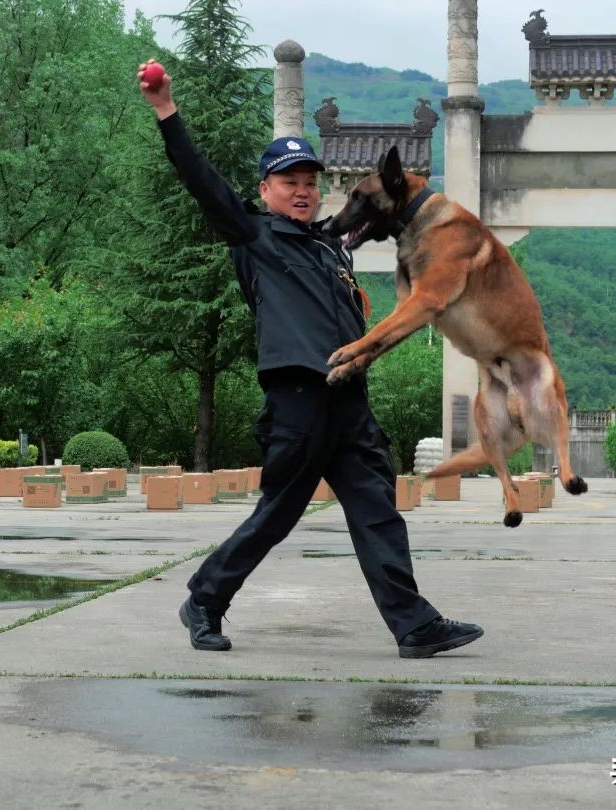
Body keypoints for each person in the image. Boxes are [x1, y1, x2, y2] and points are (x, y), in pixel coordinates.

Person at [137, 60, 484, 659]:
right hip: (299, 395)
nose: (301, 190)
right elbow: (199, 179)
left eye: (308, 180)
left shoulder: (330, 247)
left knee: (377, 510)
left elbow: (394, 210)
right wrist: (167, 111)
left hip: (349, 398)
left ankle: (414, 625)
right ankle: (204, 598)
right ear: (266, 189)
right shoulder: (252, 235)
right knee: (278, 513)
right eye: (287, 180)